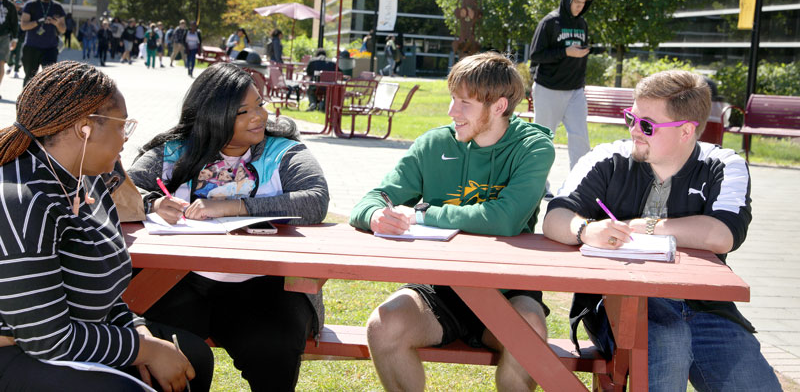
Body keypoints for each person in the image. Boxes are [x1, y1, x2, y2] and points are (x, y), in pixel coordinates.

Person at [541, 69, 781, 391]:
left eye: (648, 125)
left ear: (685, 131)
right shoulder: (605, 159)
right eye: (631, 118)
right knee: (668, 339)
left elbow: (722, 233)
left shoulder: (723, 164)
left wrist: (645, 226)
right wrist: (585, 229)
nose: (635, 131)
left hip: (705, 306)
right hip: (620, 304)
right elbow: (555, 217)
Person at [0, 61, 213, 392]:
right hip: (20, 349)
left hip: (70, 335)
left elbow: (103, 290)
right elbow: (48, 340)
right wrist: (147, 349)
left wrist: (137, 329)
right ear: (84, 128)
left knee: (194, 359)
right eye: (122, 126)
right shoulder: (24, 201)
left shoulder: (88, 181)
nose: (127, 138)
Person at [350, 52, 555, 391]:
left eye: (464, 103)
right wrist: (376, 216)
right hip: (439, 285)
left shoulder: (534, 147)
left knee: (528, 334)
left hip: (508, 285)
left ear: (499, 106)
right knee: (383, 326)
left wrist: (423, 214)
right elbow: (372, 200)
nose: (451, 111)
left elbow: (504, 219)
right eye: (452, 99)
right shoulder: (434, 144)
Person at [129, 62, 329, 391]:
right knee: (169, 355)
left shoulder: (284, 152)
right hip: (177, 280)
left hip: (265, 284)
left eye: (260, 105)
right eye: (243, 111)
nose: (259, 116)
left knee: (274, 348)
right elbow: (117, 187)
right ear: (213, 115)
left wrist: (233, 206)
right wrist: (151, 203)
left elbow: (315, 200)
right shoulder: (175, 151)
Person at [529, 0, 594, 196]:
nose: (579, 7)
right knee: (543, 138)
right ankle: (539, 186)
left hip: (575, 91)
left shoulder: (582, 24)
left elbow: (580, 59)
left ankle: (578, 187)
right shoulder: (550, 22)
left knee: (580, 139)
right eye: (576, 1)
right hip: (548, 90)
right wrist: (565, 52)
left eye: (583, 3)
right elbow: (536, 55)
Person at [19, 0, 66, 86]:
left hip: (50, 48)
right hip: (32, 47)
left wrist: (57, 24)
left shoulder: (57, 7)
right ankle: (26, 101)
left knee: (50, 79)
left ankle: (45, 102)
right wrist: (38, 22)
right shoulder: (31, 5)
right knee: (30, 78)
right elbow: (23, 26)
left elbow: (63, 29)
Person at [0, 0, 18, 98]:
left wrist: (15, 39)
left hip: (4, 37)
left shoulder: (10, 5)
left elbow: (14, 23)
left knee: (1, 63)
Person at [6, 0, 24, 78]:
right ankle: (10, 65)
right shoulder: (10, 11)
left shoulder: (23, 13)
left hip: (20, 37)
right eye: (17, 2)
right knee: (10, 53)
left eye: (20, 2)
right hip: (11, 37)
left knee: (18, 54)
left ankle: (16, 70)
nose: (18, 4)